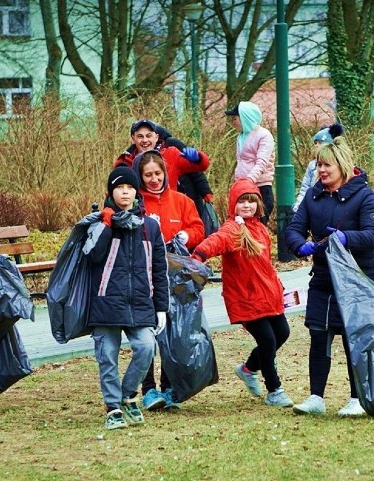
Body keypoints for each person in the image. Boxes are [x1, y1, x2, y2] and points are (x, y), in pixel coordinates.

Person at [284, 136, 374, 417]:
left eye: (326, 164)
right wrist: (298, 244)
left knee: (355, 338)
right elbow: (294, 227)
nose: (321, 170)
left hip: (357, 280)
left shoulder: (363, 195)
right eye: (318, 165)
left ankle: (357, 398)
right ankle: (316, 397)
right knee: (318, 334)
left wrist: (345, 238)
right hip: (323, 279)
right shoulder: (313, 196)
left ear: (341, 165)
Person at [192, 179, 294, 407]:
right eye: (241, 201)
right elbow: (214, 242)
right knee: (267, 340)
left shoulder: (260, 228)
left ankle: (248, 369)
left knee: (282, 333)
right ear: (233, 205)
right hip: (245, 297)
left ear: (259, 204)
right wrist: (198, 255)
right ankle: (274, 389)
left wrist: (278, 288)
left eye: (251, 201)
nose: (247, 206)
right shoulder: (232, 229)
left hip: (267, 294)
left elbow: (265, 264)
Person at [88, 166, 169, 430]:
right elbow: (91, 256)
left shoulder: (150, 227)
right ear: (111, 191)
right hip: (105, 303)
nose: (125, 192)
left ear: (137, 192)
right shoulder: (99, 221)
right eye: (120, 187)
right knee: (107, 355)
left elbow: (159, 268)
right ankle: (113, 407)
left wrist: (161, 307)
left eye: (130, 187)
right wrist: (106, 224)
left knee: (146, 347)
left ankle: (127, 395)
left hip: (139, 304)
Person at [131, 149, 206, 410]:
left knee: (173, 331)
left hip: (176, 276)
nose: (154, 179)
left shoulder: (182, 201)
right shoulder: (135, 202)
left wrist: (187, 235)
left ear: (165, 173)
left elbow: (198, 228)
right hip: (144, 274)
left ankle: (170, 387)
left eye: (158, 173)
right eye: (148, 175)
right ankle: (149, 389)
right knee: (148, 329)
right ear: (140, 176)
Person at [114, 119, 214, 210]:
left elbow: (201, 166)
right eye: (140, 136)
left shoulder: (171, 154)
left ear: (156, 137)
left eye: (149, 136)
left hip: (171, 211)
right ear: (133, 138)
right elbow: (114, 192)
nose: (145, 140)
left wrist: (198, 158)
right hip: (141, 215)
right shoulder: (125, 162)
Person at [227, 102, 275, 224]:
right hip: (243, 188)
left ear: (245, 118)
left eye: (235, 118)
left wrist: (248, 181)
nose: (233, 122)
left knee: (257, 226)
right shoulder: (241, 136)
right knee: (241, 227)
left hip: (260, 188)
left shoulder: (264, 135)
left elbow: (261, 163)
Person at [293, 124, 344, 212]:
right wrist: (298, 207)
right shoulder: (312, 165)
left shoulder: (340, 164)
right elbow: (305, 188)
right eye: (315, 143)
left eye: (320, 142)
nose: (316, 145)